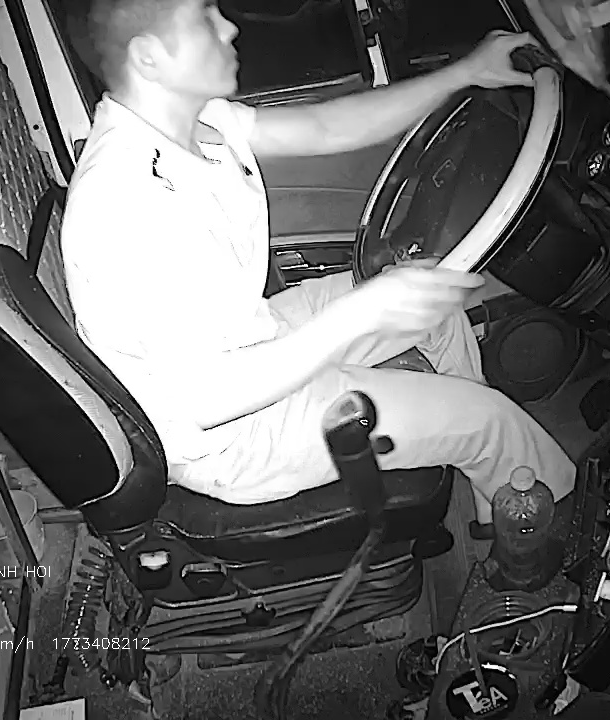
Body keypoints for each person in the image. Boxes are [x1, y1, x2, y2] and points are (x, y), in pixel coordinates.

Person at [60, 0, 576, 532]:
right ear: (149, 57)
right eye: (202, 18)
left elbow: (326, 127)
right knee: (491, 423)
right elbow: (205, 399)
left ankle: (490, 495)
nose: (228, 27)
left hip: (251, 338)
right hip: (233, 435)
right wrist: (362, 312)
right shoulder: (123, 203)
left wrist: (466, 72)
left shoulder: (196, 120)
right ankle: (551, 540)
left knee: (431, 301)